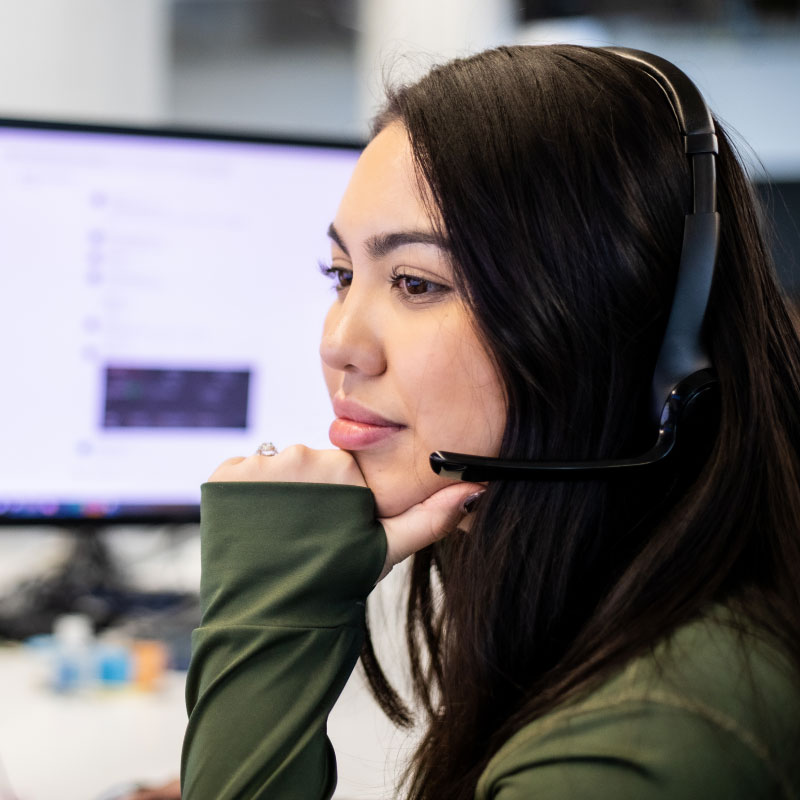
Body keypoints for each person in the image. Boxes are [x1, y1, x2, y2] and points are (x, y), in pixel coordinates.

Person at [180, 44, 800, 799]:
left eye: (415, 282)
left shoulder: (628, 755)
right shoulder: (669, 634)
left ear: (611, 324)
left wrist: (265, 611)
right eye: (342, 276)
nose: (338, 342)